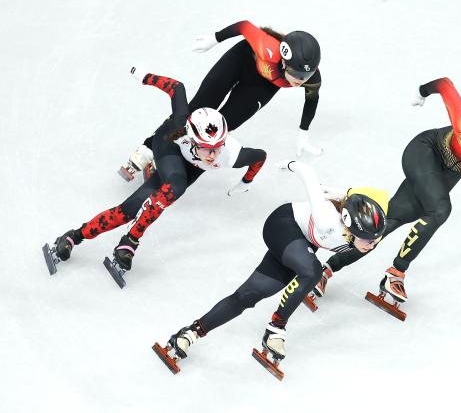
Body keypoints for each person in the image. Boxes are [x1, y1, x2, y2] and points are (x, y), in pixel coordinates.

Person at [312, 77, 461, 307]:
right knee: (440, 209)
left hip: (445, 176)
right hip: (423, 152)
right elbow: (445, 84)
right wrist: (421, 92)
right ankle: (397, 272)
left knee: (388, 222)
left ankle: (326, 269)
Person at [152, 161, 388, 373]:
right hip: (282, 225)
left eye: (377, 238)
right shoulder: (327, 219)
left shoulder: (369, 224)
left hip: (300, 246)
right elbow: (309, 175)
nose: (373, 244)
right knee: (313, 270)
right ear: (349, 228)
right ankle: (276, 329)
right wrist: (290, 164)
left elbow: (366, 196)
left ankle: (189, 333)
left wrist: (339, 192)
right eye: (369, 240)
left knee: (246, 296)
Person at [43, 67, 267, 285]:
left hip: (189, 170)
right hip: (168, 143)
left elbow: (260, 156)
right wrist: (144, 76)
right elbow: (177, 89)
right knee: (176, 185)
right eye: (207, 148)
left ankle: (72, 236)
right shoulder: (182, 124)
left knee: (129, 210)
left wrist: (247, 180)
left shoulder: (231, 154)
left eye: (218, 147)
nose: (213, 154)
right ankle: (130, 241)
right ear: (192, 137)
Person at [119, 20, 323, 186]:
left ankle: (180, 158)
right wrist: (214, 39)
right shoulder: (267, 48)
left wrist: (303, 133)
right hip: (241, 60)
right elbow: (244, 26)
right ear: (284, 61)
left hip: (262, 86)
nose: (300, 80)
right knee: (196, 109)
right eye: (296, 73)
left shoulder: (310, 77)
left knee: (220, 127)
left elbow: (311, 100)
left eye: (307, 75)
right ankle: (147, 150)